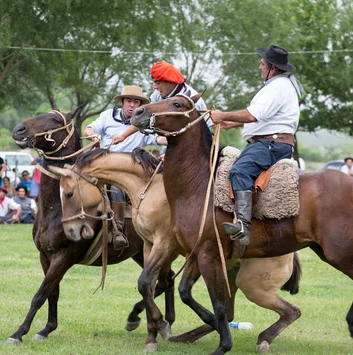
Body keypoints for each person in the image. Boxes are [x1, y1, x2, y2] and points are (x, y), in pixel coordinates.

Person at [210, 45, 303, 245]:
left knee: (240, 171)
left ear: (273, 68)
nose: (259, 67)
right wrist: (230, 122)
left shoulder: (277, 87)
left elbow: (253, 114)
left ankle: (243, 226)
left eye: (262, 64)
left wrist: (223, 115)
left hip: (269, 144)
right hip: (272, 142)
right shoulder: (281, 86)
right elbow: (263, 118)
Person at [85, 86, 161, 249]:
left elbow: (159, 139)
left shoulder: (143, 125)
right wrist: (93, 134)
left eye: (136, 102)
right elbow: (89, 128)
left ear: (140, 105)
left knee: (117, 188)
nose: (132, 105)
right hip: (103, 165)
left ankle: (118, 230)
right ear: (122, 102)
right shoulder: (108, 116)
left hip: (128, 174)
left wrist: (178, 135)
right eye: (129, 101)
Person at [110, 63, 208, 145]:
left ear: (169, 82)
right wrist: (123, 136)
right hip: (169, 142)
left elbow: (204, 134)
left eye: (158, 82)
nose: (155, 87)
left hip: (191, 146)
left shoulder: (194, 101)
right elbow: (144, 117)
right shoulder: (157, 95)